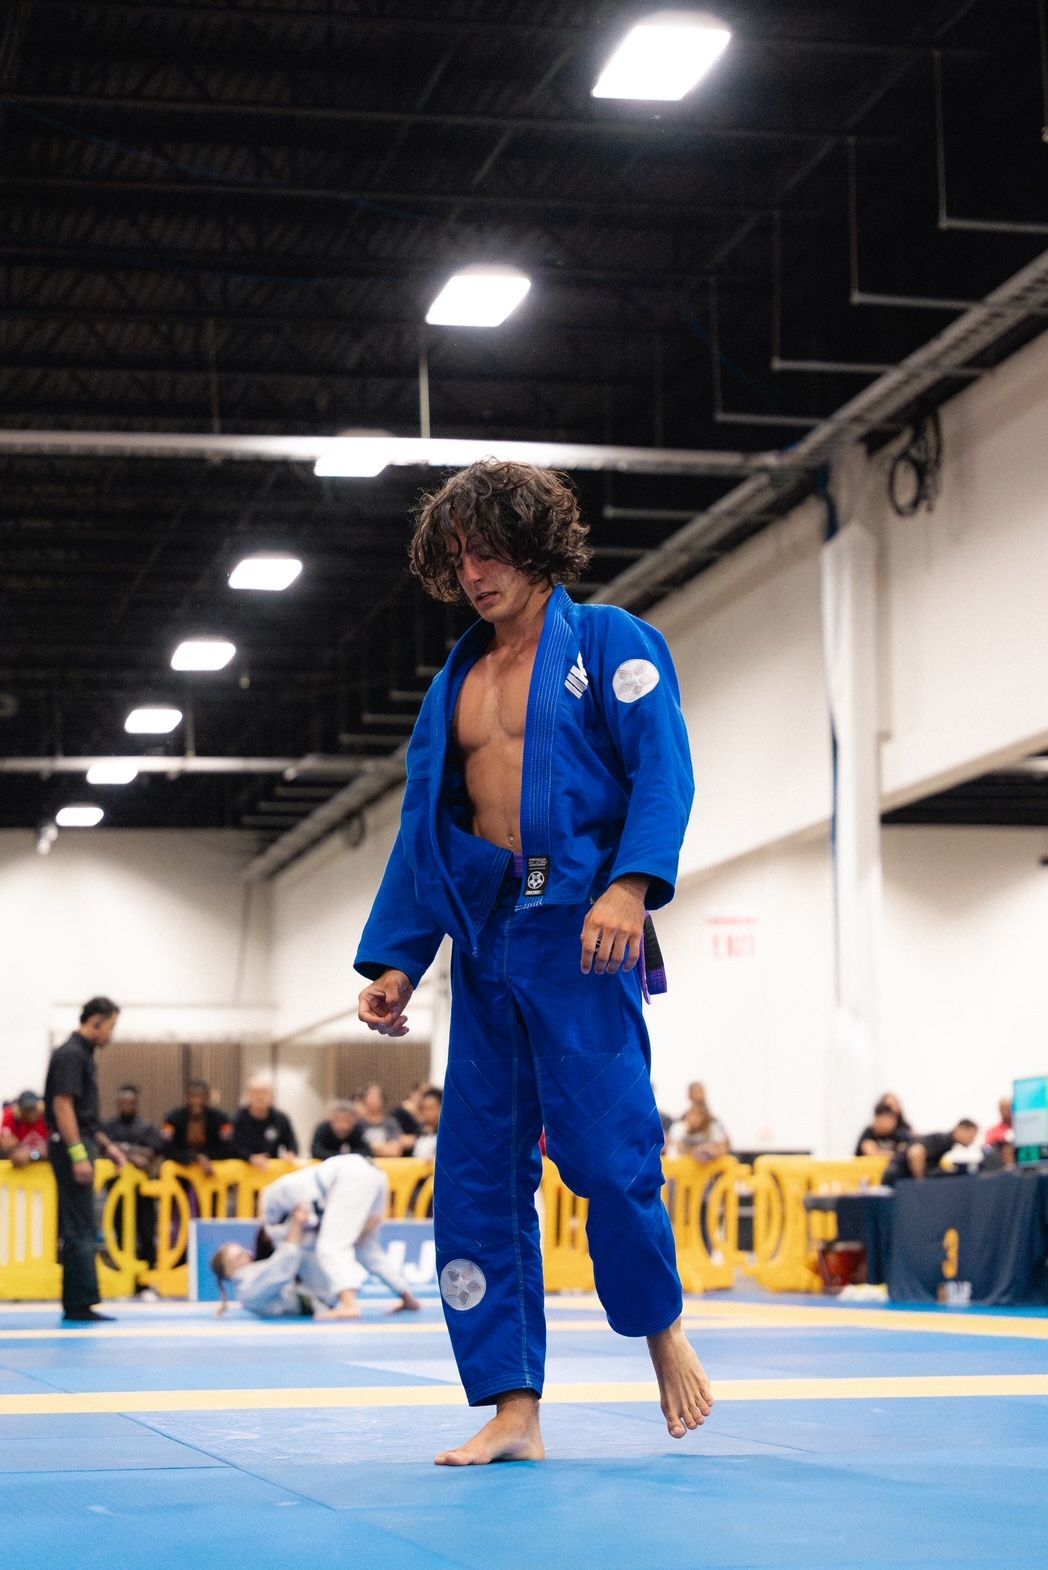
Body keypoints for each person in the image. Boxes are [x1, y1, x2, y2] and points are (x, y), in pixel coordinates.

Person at [355, 460, 711, 1466]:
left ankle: (660, 1329)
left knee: (607, 1152)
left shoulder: (611, 646)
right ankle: (513, 1406)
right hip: (484, 941)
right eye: (458, 555)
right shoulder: (453, 684)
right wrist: (396, 957)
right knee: (473, 1174)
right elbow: (423, 831)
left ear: (538, 543)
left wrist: (631, 885)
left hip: (583, 933)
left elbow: (663, 770)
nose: (474, 571)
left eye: (490, 548)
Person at [211, 1156, 421, 1318]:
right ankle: (407, 1296)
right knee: (366, 1249)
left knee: (331, 1246)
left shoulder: (274, 1208)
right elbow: (292, 1249)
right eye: (237, 1258)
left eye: (241, 1252)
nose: (245, 1255)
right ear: (228, 1273)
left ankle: (349, 1305)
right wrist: (360, 1228)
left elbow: (293, 1244)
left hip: (348, 1176)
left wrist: (300, 1222)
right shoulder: (247, 1285)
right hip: (369, 1174)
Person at [43, 996, 127, 1322]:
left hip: (81, 1143)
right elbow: (63, 1106)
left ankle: (80, 1301)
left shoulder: (83, 1056)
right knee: (80, 1225)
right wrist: (78, 1155)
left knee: (82, 1223)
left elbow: (84, 1116)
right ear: (95, 1022)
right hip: (70, 1148)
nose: (111, 1034)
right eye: (111, 1026)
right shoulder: (71, 1055)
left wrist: (107, 1146)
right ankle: (79, 1303)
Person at [102, 1084, 164, 1272]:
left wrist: (122, 1149)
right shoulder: (109, 1127)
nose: (126, 1106)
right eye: (122, 1102)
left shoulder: (146, 1127)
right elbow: (105, 1150)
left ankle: (148, 1270)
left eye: (130, 1102)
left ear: (136, 1103)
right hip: (117, 1193)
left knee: (146, 1232)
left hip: (142, 1193)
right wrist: (131, 1153)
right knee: (120, 1231)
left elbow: (150, 1153)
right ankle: (122, 1271)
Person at [161, 1080, 233, 1174]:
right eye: (192, 1097)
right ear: (186, 1098)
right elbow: (167, 1147)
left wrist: (206, 1157)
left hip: (214, 1169)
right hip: (181, 1169)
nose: (196, 1101)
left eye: (200, 1097)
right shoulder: (172, 1119)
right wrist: (194, 1157)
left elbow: (227, 1147)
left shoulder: (221, 1119)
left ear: (207, 1098)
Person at [230, 1075, 298, 1167]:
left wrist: (291, 1153)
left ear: (271, 1096)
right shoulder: (236, 1119)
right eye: (255, 1092)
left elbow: (291, 1141)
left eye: (264, 1092)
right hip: (244, 1169)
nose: (260, 1096)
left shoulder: (281, 1119)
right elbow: (231, 1146)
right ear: (248, 1096)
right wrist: (250, 1157)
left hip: (270, 1170)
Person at [883, 1119, 980, 1184]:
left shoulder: (947, 1143)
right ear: (961, 1129)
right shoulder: (943, 1141)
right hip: (896, 1178)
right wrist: (921, 1183)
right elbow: (916, 1152)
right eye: (971, 1135)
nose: (972, 1140)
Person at [666, 1096, 729, 1163]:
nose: (694, 1119)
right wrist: (695, 1151)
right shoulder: (679, 1128)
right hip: (683, 1164)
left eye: (699, 1115)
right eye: (692, 1115)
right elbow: (675, 1149)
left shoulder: (712, 1128)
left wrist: (710, 1150)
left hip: (709, 1165)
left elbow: (723, 1147)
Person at [356, 1083, 408, 1156]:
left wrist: (370, 1148)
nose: (374, 1100)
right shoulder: (357, 1124)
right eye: (370, 1097)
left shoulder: (390, 1123)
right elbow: (356, 1149)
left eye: (377, 1097)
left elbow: (395, 1151)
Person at [1, 1090, 50, 1167]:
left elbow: (54, 1150)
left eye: (32, 1109)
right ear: (19, 1111)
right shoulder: (12, 1118)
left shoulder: (48, 1118)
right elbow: (7, 1144)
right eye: (26, 1110)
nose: (30, 1114)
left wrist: (32, 1155)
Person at [413, 1087, 442, 1162]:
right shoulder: (420, 1133)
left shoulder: (448, 1136)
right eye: (424, 1109)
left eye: (430, 1108)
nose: (426, 1113)